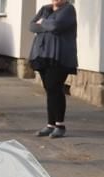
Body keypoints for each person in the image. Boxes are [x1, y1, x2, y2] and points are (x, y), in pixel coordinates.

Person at [28, 0, 78, 139]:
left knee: (55, 88)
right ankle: (50, 125)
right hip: (42, 55)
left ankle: (60, 125)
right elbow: (31, 26)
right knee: (49, 90)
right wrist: (46, 25)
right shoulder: (45, 9)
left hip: (59, 57)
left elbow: (56, 26)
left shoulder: (68, 10)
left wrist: (43, 23)